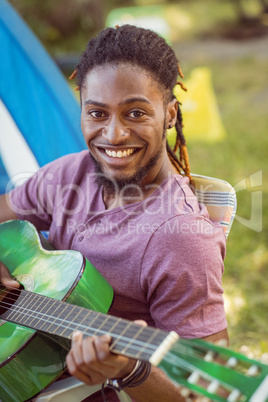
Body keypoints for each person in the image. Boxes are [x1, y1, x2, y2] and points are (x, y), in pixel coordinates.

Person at [0, 25, 228, 401]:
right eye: (97, 113)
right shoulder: (69, 174)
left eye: (135, 112)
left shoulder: (181, 238)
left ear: (170, 113)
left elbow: (204, 391)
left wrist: (130, 369)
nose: (115, 134)